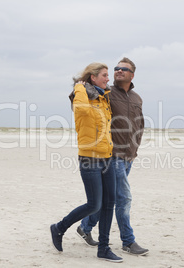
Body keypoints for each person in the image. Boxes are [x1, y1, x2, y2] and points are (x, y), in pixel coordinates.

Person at [50, 62, 123, 263]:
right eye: (104, 75)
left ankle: (104, 248)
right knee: (94, 204)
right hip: (89, 158)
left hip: (107, 157)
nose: (108, 78)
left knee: (109, 204)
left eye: (108, 75)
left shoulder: (103, 98)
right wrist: (79, 87)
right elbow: (81, 111)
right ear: (93, 77)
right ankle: (59, 228)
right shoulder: (80, 95)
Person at [77, 58, 149, 256]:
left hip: (129, 155)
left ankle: (85, 227)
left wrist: (135, 149)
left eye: (123, 69)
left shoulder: (137, 98)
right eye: (116, 69)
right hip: (112, 154)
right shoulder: (105, 92)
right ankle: (128, 241)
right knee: (123, 198)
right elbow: (84, 103)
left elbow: (139, 125)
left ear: (132, 75)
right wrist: (82, 85)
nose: (118, 71)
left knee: (110, 199)